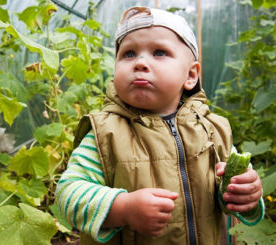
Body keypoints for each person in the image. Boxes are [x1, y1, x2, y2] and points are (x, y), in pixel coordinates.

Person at [55, 6, 264, 245]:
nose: (140, 63)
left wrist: (247, 195)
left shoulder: (214, 131)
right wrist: (122, 208)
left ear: (190, 76)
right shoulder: (105, 135)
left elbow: (230, 196)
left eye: (160, 52)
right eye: (129, 54)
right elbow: (68, 193)